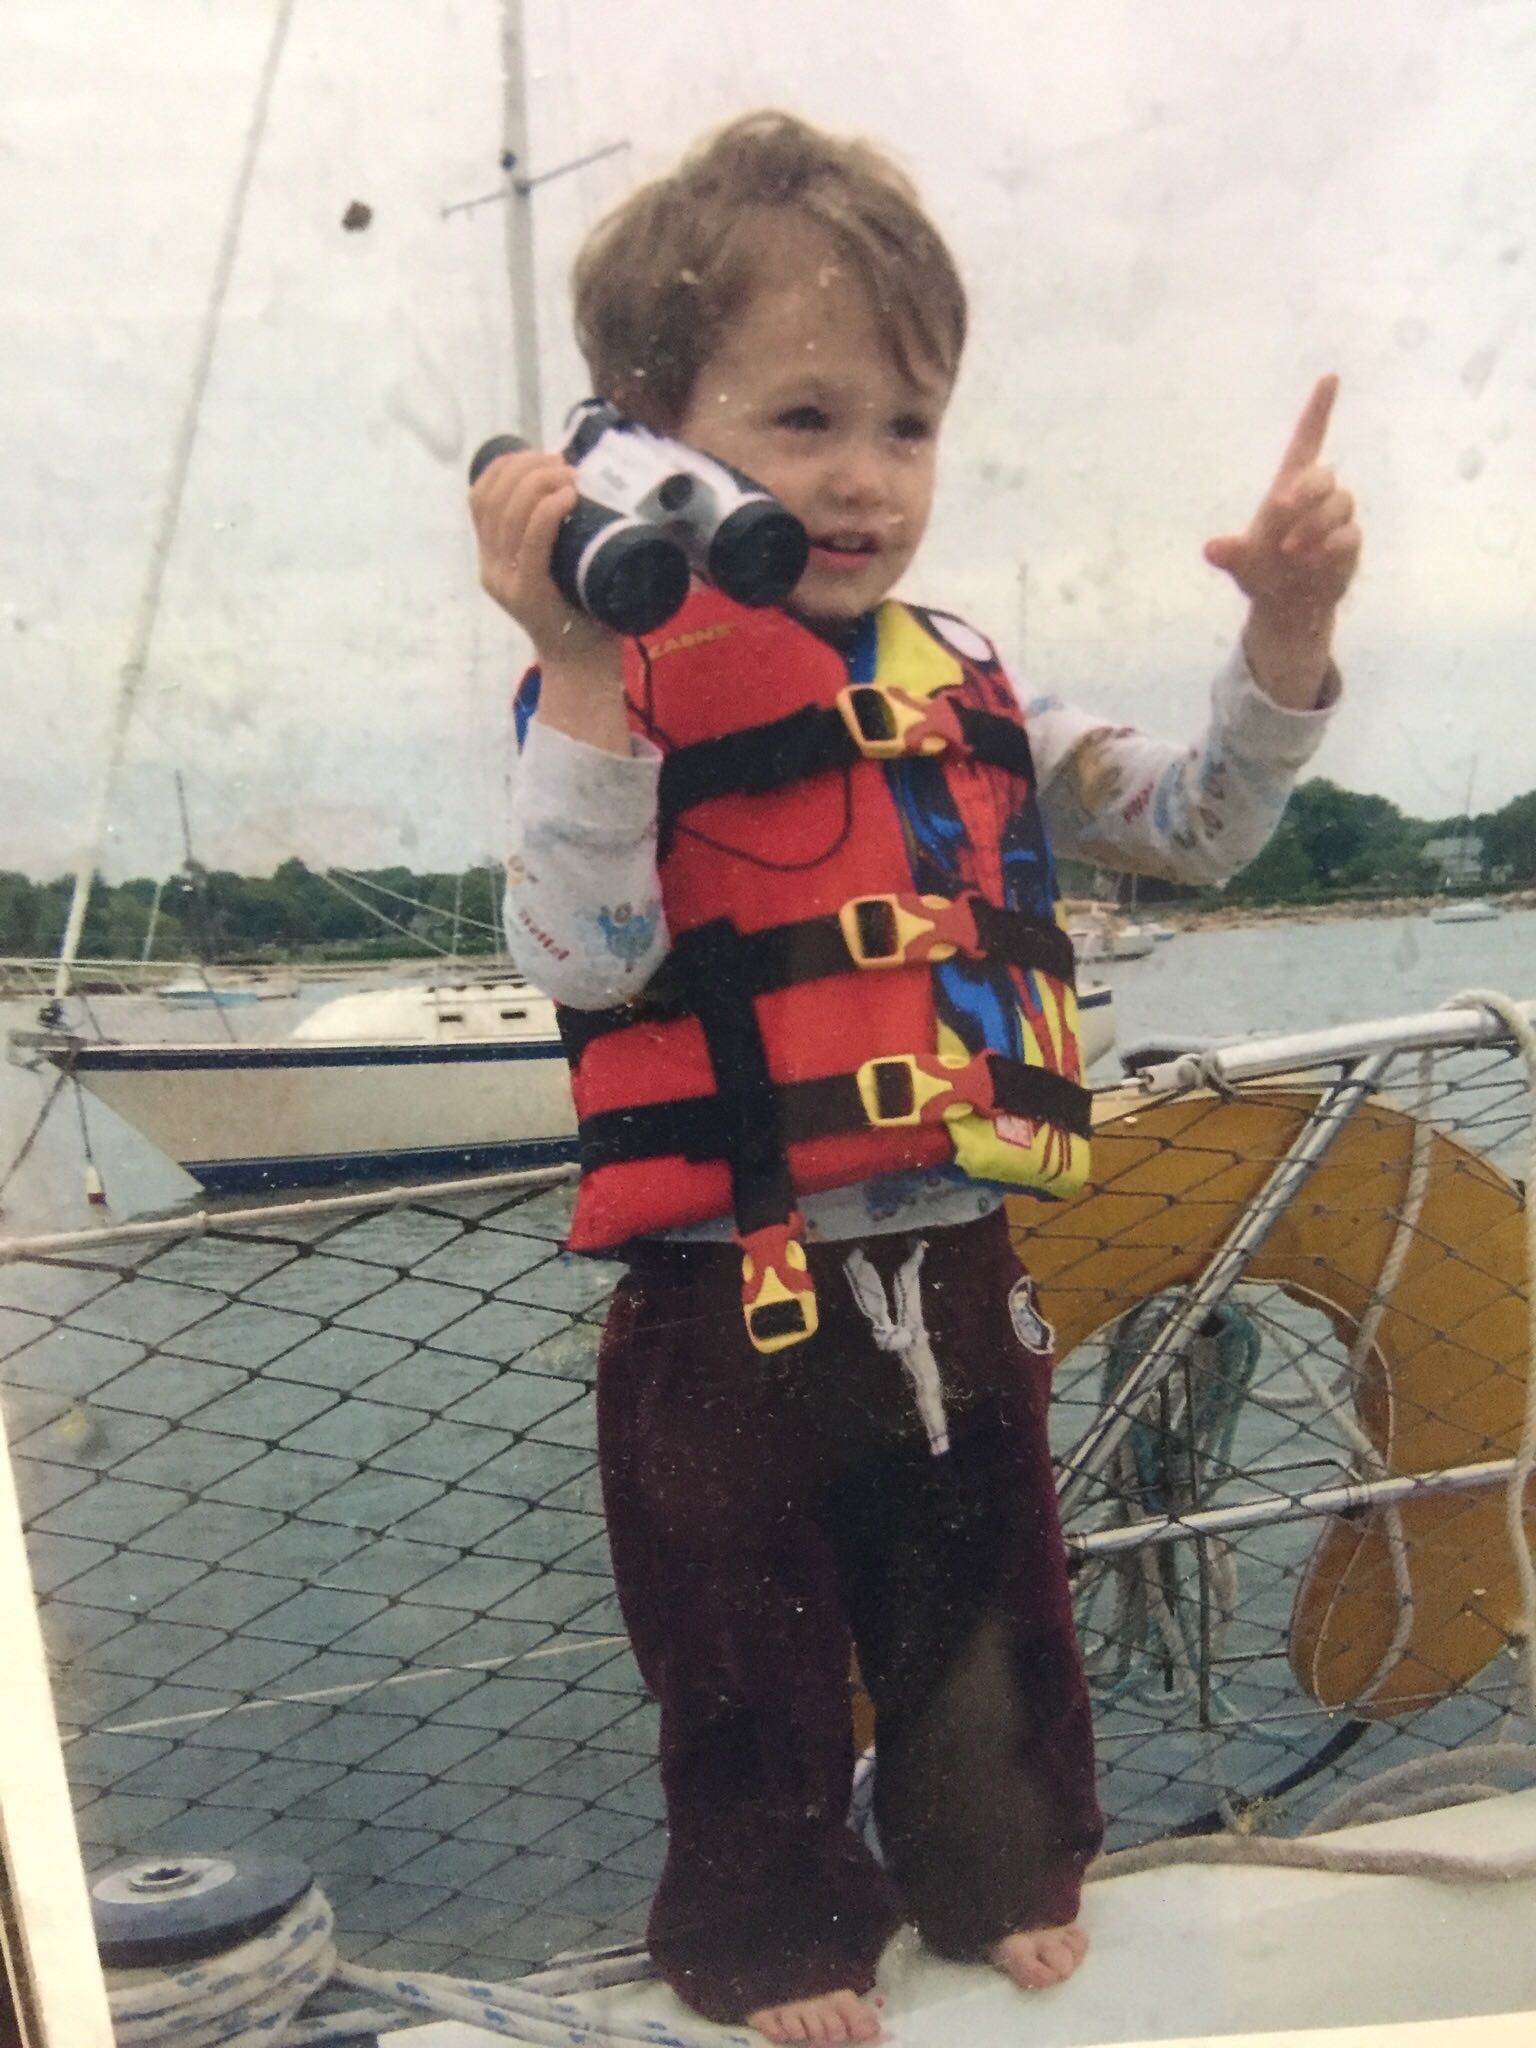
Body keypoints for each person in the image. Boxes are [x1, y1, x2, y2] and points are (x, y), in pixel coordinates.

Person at [471, 110, 1359, 2047]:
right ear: (650, 431)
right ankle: (774, 1927)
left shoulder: (961, 673)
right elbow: (579, 956)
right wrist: (581, 663)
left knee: (986, 1607)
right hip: (730, 1282)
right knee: (739, 1638)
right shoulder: (605, 695)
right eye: (803, 420)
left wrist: (1281, 642)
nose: (864, 477)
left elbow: (1191, 826)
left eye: (906, 421)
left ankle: (991, 1869)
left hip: (952, 1249)